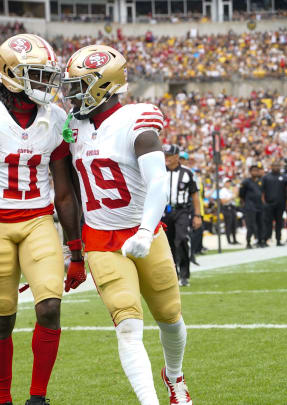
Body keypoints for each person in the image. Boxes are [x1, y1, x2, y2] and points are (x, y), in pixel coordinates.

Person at [0, 34, 83, 405]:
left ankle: (37, 397)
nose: (45, 83)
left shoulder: (55, 119)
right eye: (36, 75)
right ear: (10, 75)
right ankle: (3, 399)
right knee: (3, 317)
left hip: (39, 220)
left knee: (50, 306)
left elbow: (65, 191)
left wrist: (76, 250)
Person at [63, 44, 192, 405]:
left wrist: (146, 231)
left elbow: (157, 182)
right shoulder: (72, 125)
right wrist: (68, 243)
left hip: (143, 230)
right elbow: (69, 187)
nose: (72, 93)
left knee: (169, 316)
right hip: (101, 239)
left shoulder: (138, 119)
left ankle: (175, 375)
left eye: (80, 85)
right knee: (128, 326)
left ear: (103, 85)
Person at [162, 144, 202, 287]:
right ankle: (174, 274)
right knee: (167, 245)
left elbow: (195, 195)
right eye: (164, 155)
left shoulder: (187, 173)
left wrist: (198, 215)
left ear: (176, 156)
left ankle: (184, 274)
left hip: (182, 210)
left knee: (182, 240)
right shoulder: (158, 170)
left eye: (168, 155)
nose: (165, 158)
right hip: (163, 212)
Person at [261, 160, 287, 246]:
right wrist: (264, 203)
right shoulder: (266, 177)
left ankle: (278, 240)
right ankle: (266, 239)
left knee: (279, 223)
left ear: (280, 167)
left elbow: (286, 191)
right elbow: (262, 192)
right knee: (268, 222)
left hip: (280, 204)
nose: (276, 168)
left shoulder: (284, 177)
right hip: (269, 204)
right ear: (271, 167)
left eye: (277, 166)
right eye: (274, 166)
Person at [239, 163, 265, 249]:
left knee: (260, 224)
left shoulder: (260, 181)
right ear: (250, 172)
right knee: (251, 225)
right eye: (254, 170)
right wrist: (245, 203)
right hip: (250, 206)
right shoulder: (246, 182)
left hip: (259, 206)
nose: (256, 172)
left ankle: (260, 241)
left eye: (257, 171)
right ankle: (249, 242)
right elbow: (241, 194)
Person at [219, 179, 239, 245]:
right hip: (227, 208)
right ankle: (229, 240)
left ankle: (234, 239)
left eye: (229, 182)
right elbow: (223, 201)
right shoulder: (222, 191)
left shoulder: (230, 190)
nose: (229, 184)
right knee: (228, 225)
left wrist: (235, 193)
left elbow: (235, 197)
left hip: (232, 208)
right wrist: (231, 197)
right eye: (227, 182)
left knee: (234, 224)